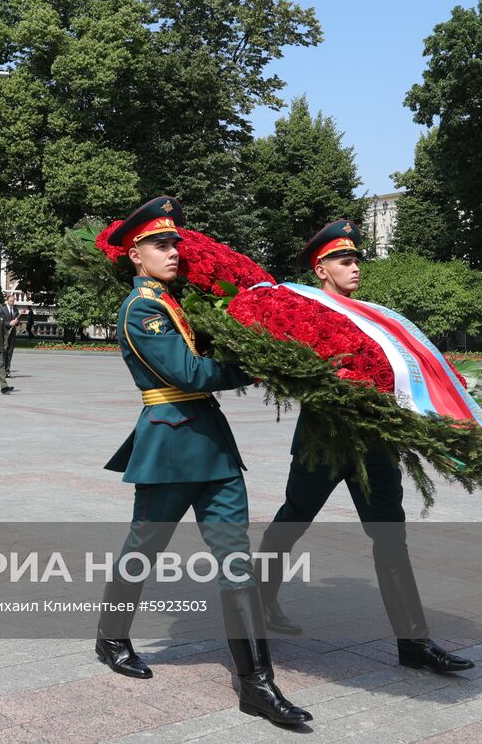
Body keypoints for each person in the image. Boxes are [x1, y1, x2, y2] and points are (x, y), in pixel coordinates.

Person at [93, 197, 310, 727]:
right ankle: (111, 636)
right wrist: (253, 367)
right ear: (134, 256)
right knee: (143, 547)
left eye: (174, 243)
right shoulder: (140, 310)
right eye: (159, 244)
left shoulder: (174, 303)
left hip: (211, 446)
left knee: (236, 560)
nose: (172, 251)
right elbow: (187, 375)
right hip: (169, 447)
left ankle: (257, 684)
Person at [256, 221, 474, 673]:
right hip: (324, 440)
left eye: (357, 260)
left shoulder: (376, 319)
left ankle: (413, 643)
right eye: (345, 260)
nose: (355, 268)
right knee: (292, 522)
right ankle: (259, 604)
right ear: (321, 268)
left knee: (391, 537)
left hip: (374, 443)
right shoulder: (306, 310)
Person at [2, 292, 22, 374]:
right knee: (3, 352)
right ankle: (0, 370)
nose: (11, 303)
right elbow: (0, 322)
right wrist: (9, 323)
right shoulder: (2, 309)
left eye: (13, 301)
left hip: (12, 334)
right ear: (7, 301)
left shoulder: (15, 309)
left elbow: (17, 322)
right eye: (10, 301)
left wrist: (16, 322)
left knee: (10, 352)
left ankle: (7, 370)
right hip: (4, 333)